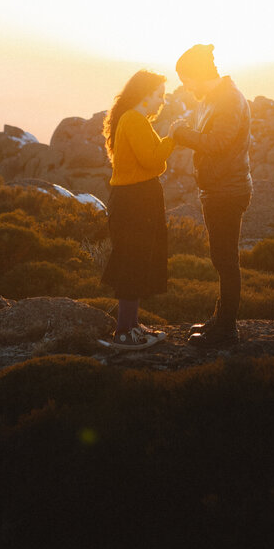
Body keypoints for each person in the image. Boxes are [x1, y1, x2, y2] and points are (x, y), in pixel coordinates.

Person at [170, 44, 252, 347]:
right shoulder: (212, 99)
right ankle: (221, 319)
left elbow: (217, 142)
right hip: (216, 189)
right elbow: (210, 135)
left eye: (185, 79)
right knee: (221, 259)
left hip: (228, 191)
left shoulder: (228, 100)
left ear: (197, 75)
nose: (184, 86)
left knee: (226, 261)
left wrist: (182, 134)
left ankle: (227, 330)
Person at [99, 69, 174, 350]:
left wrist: (161, 156)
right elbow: (152, 160)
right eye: (159, 95)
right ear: (145, 95)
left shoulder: (134, 118)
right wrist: (173, 137)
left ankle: (132, 326)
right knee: (132, 261)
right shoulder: (134, 119)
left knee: (139, 260)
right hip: (135, 200)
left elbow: (154, 163)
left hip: (136, 197)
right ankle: (123, 332)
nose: (162, 101)